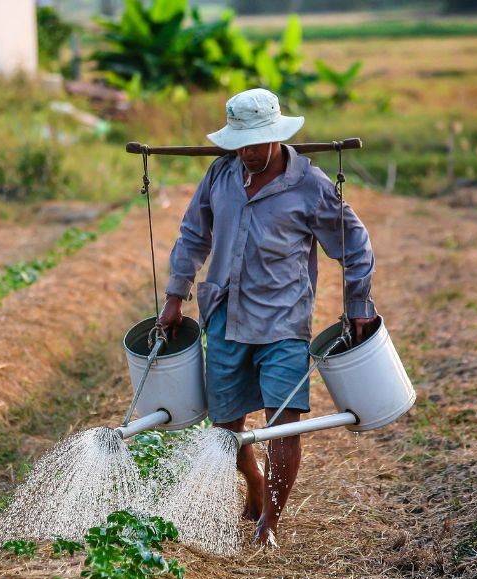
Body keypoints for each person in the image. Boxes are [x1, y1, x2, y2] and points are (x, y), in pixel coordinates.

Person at [157, 88, 377, 547]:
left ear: (277, 137)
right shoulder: (220, 174)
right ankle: (254, 482)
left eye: (256, 143)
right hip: (224, 316)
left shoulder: (310, 186)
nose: (248, 153)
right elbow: (193, 235)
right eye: (240, 143)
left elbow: (355, 246)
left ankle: (268, 526)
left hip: (284, 321)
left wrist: (357, 304)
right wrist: (175, 296)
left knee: (284, 423)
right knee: (226, 427)